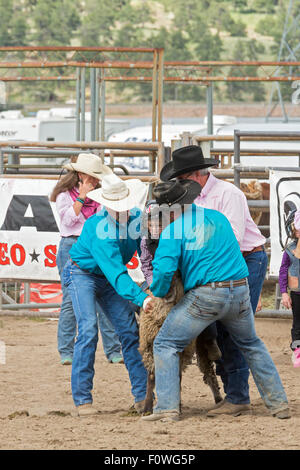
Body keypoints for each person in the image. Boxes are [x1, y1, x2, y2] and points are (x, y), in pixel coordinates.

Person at [141, 180, 289, 422]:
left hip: (206, 296)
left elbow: (163, 273)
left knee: (165, 344)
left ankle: (167, 408)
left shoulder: (172, 230)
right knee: (251, 344)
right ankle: (279, 404)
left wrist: (157, 293)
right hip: (240, 289)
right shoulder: (217, 218)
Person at [160, 145, 268, 417]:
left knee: (234, 330)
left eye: (180, 178)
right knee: (220, 330)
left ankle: (237, 395)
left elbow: (231, 238)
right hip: (220, 267)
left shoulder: (227, 194)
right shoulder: (193, 198)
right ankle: (234, 391)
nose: (178, 183)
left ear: (194, 175)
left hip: (244, 261)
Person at [62, 173, 152, 416]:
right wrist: (143, 298)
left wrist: (151, 282)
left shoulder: (137, 220)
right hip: (83, 273)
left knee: (129, 332)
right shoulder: (98, 227)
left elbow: (145, 253)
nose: (122, 211)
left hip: (104, 277)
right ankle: (83, 400)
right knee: (89, 328)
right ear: (107, 205)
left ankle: (143, 396)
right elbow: (117, 273)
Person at [50, 153, 123, 365]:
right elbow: (68, 220)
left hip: (95, 246)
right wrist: (82, 196)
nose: (96, 180)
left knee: (105, 297)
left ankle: (112, 349)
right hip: (72, 245)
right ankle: (66, 350)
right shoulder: (65, 195)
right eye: (92, 176)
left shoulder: (100, 195)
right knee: (71, 300)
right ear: (81, 175)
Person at [140, 200, 221, 361]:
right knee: (138, 303)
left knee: (200, 303)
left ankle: (209, 339)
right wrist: (151, 283)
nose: (155, 227)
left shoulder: (177, 236)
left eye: (160, 222)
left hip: (181, 278)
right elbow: (146, 264)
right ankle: (147, 344)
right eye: (151, 223)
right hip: (158, 280)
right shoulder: (145, 241)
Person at [279, 208, 300, 367]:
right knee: (298, 323)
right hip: (297, 293)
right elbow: (283, 269)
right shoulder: (289, 250)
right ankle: (298, 351)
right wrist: (284, 293)